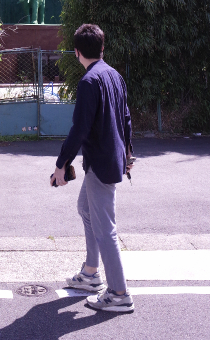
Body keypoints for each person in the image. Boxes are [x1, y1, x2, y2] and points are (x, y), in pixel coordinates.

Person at [50, 23, 134, 313]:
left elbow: (79, 130)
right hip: (111, 159)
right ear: (102, 48)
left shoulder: (88, 82)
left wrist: (61, 164)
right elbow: (126, 118)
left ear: (76, 53)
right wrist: (129, 154)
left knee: (106, 229)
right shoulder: (114, 75)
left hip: (100, 162)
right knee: (85, 209)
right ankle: (90, 273)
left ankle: (119, 293)